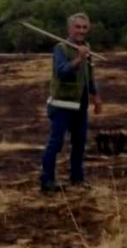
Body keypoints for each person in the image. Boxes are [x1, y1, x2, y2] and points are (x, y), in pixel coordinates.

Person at [40, 13, 102, 192]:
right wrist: (79, 59)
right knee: (56, 143)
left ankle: (77, 178)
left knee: (79, 143)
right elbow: (62, 72)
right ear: (69, 29)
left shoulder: (87, 48)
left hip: (80, 106)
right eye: (78, 27)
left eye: (84, 27)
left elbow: (90, 76)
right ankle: (47, 182)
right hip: (61, 105)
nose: (81, 30)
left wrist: (96, 96)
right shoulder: (61, 48)